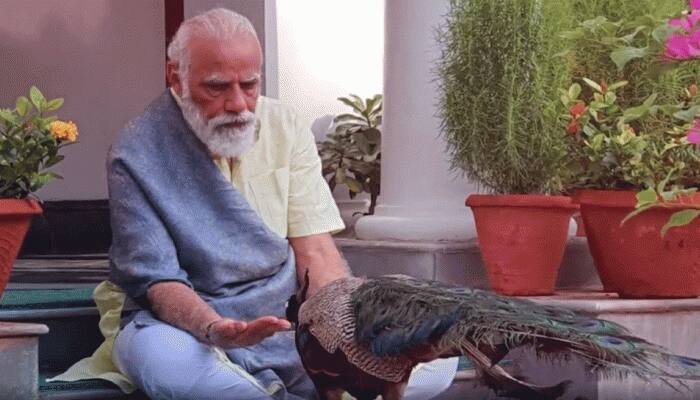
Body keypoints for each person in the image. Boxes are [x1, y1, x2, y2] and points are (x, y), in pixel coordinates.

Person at [50, 8, 458, 399]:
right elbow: (158, 282)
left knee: (436, 362)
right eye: (217, 87)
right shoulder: (137, 151)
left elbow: (314, 249)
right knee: (165, 363)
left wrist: (340, 334)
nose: (239, 104)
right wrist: (216, 328)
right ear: (176, 77)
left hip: (286, 320)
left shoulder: (284, 125)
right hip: (188, 325)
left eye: (249, 84)